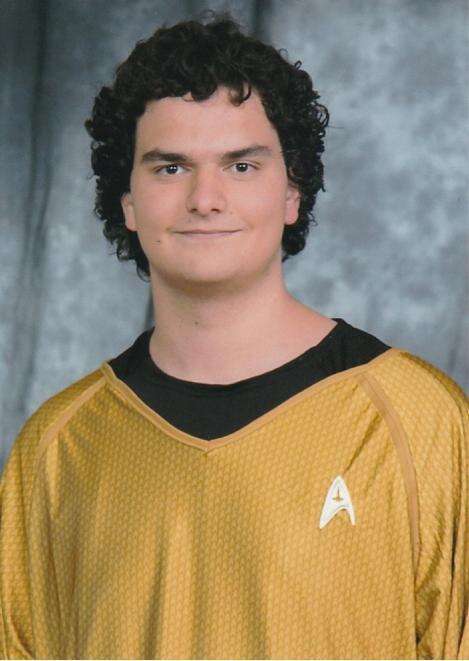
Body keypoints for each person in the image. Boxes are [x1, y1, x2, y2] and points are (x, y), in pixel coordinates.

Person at [0, 8, 467, 660]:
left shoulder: (420, 422)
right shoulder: (57, 449)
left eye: (241, 166)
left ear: (292, 192)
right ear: (127, 201)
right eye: (170, 168)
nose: (205, 199)